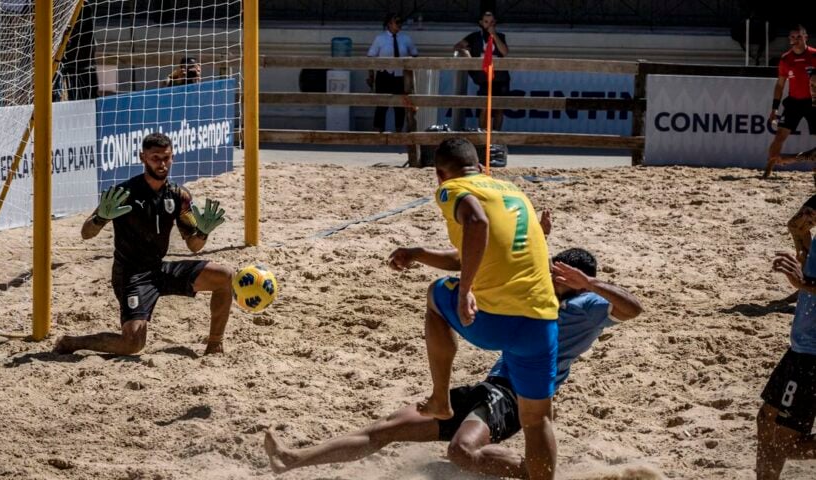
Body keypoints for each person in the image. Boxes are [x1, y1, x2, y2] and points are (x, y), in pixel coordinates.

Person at [265, 245, 642, 477]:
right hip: (491, 387)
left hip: (518, 397)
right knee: (389, 426)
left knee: (461, 451)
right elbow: (468, 261)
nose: (547, 278)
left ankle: (534, 475)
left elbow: (634, 309)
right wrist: (419, 256)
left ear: (574, 279)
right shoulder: (536, 291)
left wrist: (588, 284)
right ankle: (292, 459)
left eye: (557, 276)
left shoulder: (588, 305)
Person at [388, 138, 560, 478]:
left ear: (439, 174)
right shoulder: (512, 191)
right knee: (538, 419)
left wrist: (465, 290)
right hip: (541, 321)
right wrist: (419, 253)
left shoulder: (451, 189)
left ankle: (440, 398)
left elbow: (476, 224)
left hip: (494, 319)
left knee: (435, 296)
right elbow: (474, 251)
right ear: (482, 166)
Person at [54, 133, 233, 356]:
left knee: (225, 275)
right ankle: (73, 342)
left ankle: (215, 344)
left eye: (166, 157)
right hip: (131, 275)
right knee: (133, 344)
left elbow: (193, 246)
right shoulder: (124, 193)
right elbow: (86, 233)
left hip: (159, 268)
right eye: (155, 157)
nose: (162, 163)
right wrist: (100, 217)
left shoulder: (179, 195)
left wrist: (203, 233)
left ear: (173, 157)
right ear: (142, 157)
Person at [758, 249, 816, 479]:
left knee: (784, 442)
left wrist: (804, 282)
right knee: (767, 422)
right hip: (802, 346)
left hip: (812, 355)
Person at [763, 25, 816, 179]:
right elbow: (780, 85)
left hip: (813, 102)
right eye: (792, 37)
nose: (795, 40)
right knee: (779, 135)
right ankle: (768, 170)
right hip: (793, 103)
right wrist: (775, 108)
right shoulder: (786, 59)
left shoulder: (814, 55)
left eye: (799, 37)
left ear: (805, 37)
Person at [453, 11, 510, 131]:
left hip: (500, 77)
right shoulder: (474, 36)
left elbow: (504, 52)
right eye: (486, 22)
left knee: (499, 108)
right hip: (484, 77)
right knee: (485, 107)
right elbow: (457, 46)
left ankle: (496, 139)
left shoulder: (501, 36)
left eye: (492, 22)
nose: (489, 24)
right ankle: (483, 137)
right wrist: (467, 53)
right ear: (481, 23)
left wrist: (494, 35)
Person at [367, 13, 418, 132]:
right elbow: (371, 57)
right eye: (397, 22)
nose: (399, 25)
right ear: (389, 23)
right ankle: (377, 132)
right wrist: (370, 76)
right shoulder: (380, 38)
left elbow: (415, 54)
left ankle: (399, 131)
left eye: (401, 22)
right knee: (381, 105)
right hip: (384, 75)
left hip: (400, 76)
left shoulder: (406, 38)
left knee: (399, 106)